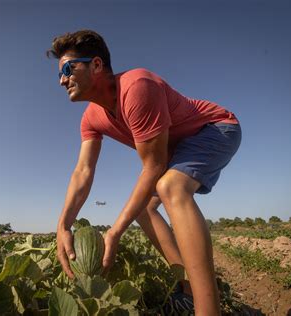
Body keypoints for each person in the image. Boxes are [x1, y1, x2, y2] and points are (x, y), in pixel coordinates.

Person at [47, 29, 241, 316]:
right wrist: (63, 225)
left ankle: (209, 310)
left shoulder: (137, 86)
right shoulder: (91, 117)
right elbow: (83, 171)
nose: (62, 79)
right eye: (59, 73)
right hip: (178, 147)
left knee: (171, 187)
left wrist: (114, 232)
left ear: (97, 65)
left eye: (68, 68)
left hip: (214, 128)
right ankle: (187, 288)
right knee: (143, 209)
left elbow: (153, 166)